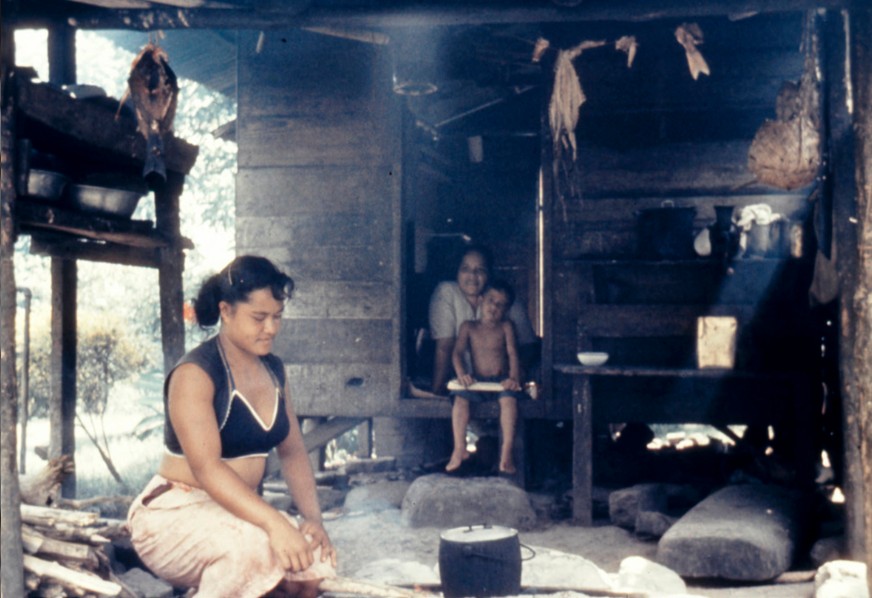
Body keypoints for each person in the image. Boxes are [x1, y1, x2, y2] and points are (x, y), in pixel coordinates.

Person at [127, 255, 336, 598]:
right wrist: (274, 522)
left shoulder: (274, 370)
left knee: (313, 561)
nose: (271, 328)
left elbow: (294, 451)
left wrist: (313, 520)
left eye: (277, 317)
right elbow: (207, 469)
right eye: (259, 318)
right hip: (173, 514)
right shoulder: (195, 373)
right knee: (252, 550)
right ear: (226, 311)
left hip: (233, 511)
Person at [427, 244, 537, 397]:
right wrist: (437, 392)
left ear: (489, 275)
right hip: (464, 384)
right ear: (457, 271)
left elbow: (528, 347)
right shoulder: (446, 293)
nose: (472, 276)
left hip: (500, 385)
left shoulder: (506, 300)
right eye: (465, 269)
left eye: (480, 270)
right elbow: (444, 347)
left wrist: (515, 377)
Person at [447, 280, 528, 475]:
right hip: (476, 381)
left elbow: (513, 354)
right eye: (491, 300)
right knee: (460, 399)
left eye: (501, 305)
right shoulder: (468, 327)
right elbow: (456, 353)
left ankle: (506, 454)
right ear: (481, 300)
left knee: (509, 402)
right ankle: (459, 449)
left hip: (500, 383)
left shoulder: (506, 326)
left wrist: (513, 378)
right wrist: (462, 375)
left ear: (506, 310)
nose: (494, 307)